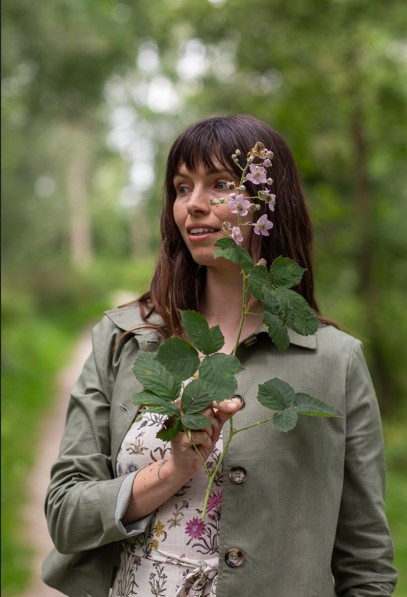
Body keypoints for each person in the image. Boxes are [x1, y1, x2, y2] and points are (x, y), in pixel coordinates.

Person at [42, 114, 397, 596]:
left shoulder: (335, 361)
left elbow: (367, 563)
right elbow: (66, 514)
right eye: (182, 187)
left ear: (268, 202)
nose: (194, 204)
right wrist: (170, 472)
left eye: (221, 185)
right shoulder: (125, 339)